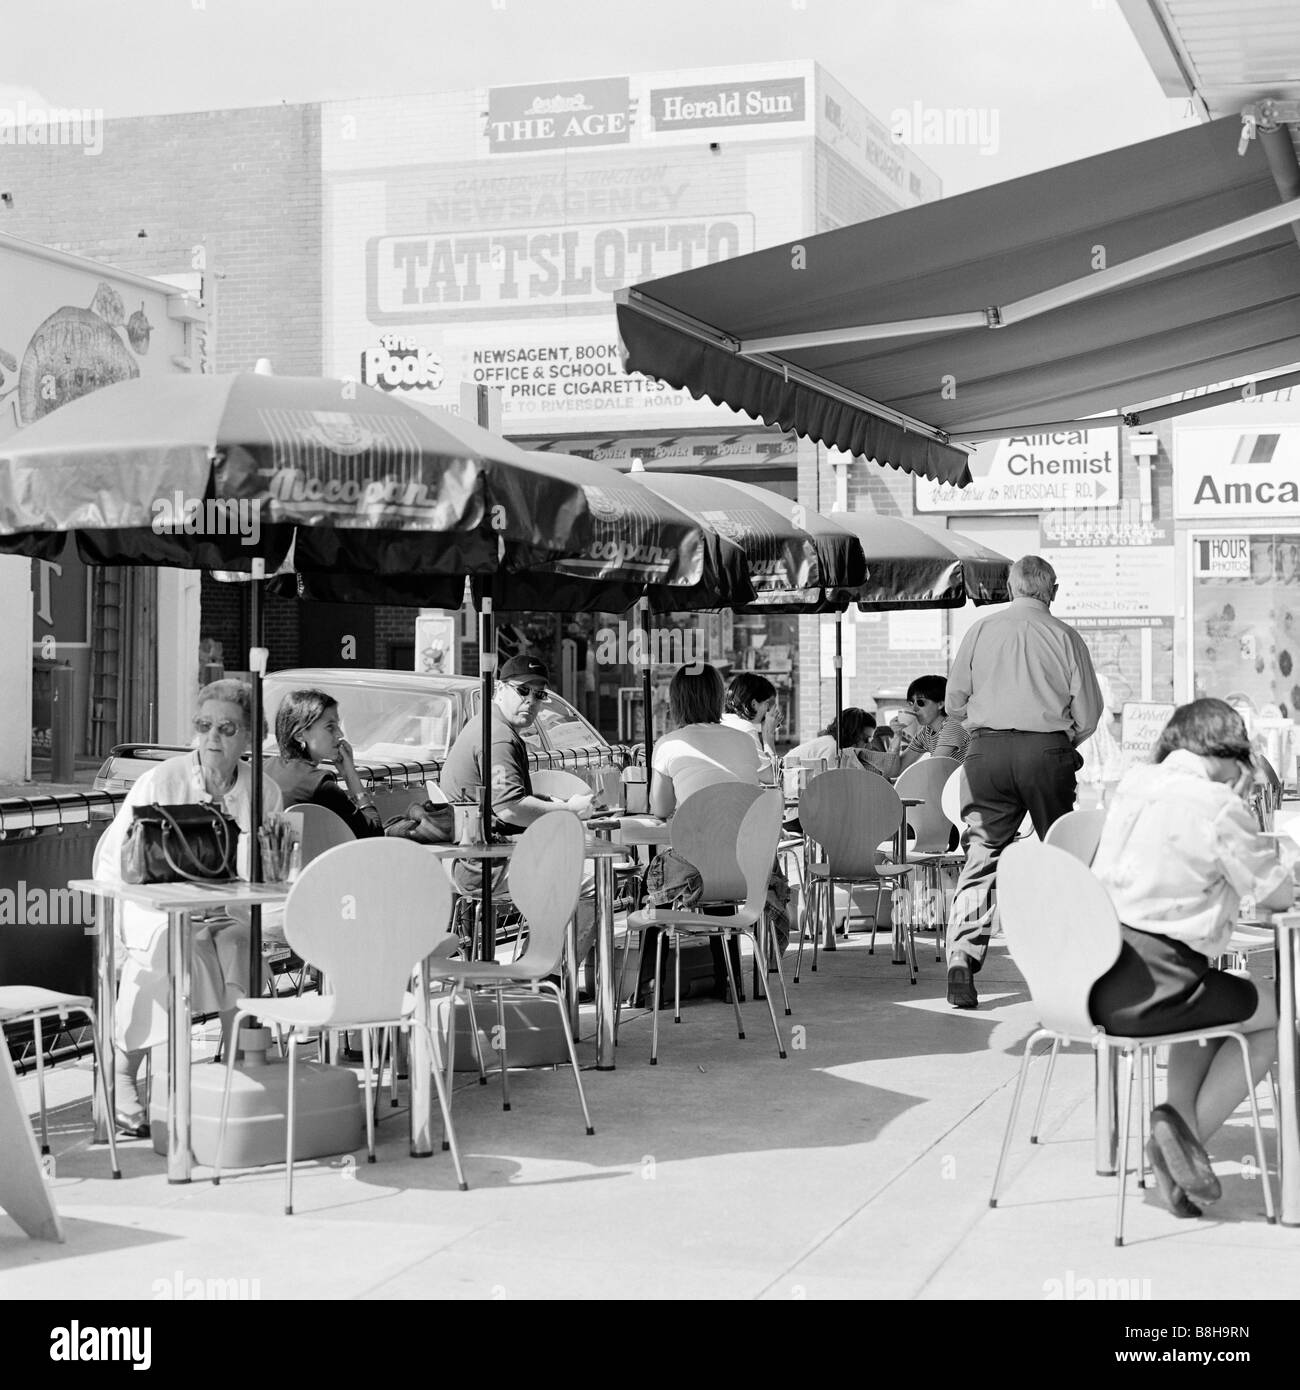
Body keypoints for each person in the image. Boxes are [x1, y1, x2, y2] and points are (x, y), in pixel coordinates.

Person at [1089, 699, 1297, 1216]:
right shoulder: (1217, 805)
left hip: (1097, 980)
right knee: (1275, 1017)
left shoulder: (1133, 785)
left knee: (1212, 1011)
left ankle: (1176, 1147)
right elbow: (1276, 895)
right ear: (1228, 751)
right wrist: (1242, 810)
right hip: (1162, 982)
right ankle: (1181, 1143)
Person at [92, 679, 284, 1137]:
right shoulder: (162, 780)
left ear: (248, 737)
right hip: (150, 901)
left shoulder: (265, 791)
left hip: (225, 906)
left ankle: (243, 1062)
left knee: (241, 941)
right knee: (167, 946)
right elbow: (120, 861)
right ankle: (121, 1076)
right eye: (203, 726)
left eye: (226, 728)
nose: (212, 738)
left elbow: (265, 870)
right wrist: (176, 904)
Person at [943, 555, 1103, 1009]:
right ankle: (1064, 966)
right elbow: (1089, 714)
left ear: (1010, 589)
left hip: (986, 754)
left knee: (982, 855)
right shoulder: (1065, 637)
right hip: (1045, 752)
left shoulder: (980, 631)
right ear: (1052, 590)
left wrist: (983, 717)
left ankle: (961, 957)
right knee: (1060, 855)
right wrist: (1062, 735)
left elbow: (953, 701)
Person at [439, 655, 597, 970]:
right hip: (482, 866)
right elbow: (509, 808)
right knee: (592, 881)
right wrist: (568, 811)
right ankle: (543, 972)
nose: (531, 701)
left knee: (569, 868)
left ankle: (535, 964)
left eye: (539, 695)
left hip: (472, 855)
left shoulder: (489, 724)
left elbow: (505, 801)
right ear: (499, 688)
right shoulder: (497, 737)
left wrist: (546, 801)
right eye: (523, 690)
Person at [646, 663, 767, 1002]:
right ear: (717, 697)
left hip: (696, 872)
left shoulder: (670, 743)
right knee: (718, 869)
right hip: (750, 872)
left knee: (652, 880)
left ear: (676, 701)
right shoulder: (744, 741)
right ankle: (732, 981)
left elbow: (659, 809)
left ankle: (648, 985)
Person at [265, 689, 384, 839]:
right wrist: (351, 776)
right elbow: (373, 835)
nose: (340, 734)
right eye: (330, 727)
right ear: (300, 735)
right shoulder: (319, 784)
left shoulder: (263, 769)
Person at [888, 674, 970, 770]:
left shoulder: (954, 724)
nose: (914, 708)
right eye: (911, 703)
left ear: (940, 704)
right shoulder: (925, 733)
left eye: (920, 702)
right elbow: (894, 771)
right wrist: (897, 735)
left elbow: (932, 767)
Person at [721, 671, 780, 784]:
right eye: (767, 704)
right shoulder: (745, 729)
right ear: (753, 704)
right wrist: (768, 736)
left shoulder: (721, 721)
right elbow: (772, 778)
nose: (768, 710)